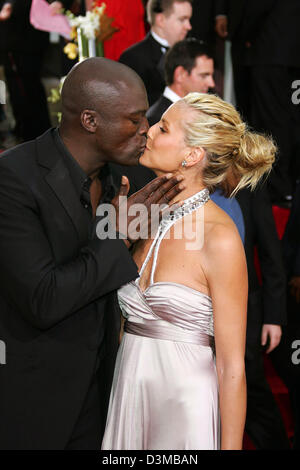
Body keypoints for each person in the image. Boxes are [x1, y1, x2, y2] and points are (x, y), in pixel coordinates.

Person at [0, 57, 184, 450]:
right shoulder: (14, 178)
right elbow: (43, 299)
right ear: (89, 120)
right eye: (134, 120)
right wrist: (118, 236)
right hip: (33, 406)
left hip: (106, 401)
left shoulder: (127, 180)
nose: (145, 130)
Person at [101, 92, 276, 450]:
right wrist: (117, 235)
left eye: (163, 128)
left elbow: (232, 368)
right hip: (127, 395)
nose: (148, 131)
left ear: (192, 155)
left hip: (183, 409)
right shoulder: (143, 214)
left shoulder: (219, 237)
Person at [119, 0, 192, 106]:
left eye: (189, 19)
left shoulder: (194, 54)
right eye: (182, 19)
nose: (188, 26)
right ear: (160, 20)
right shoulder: (132, 58)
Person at [147, 37, 215, 126]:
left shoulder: (204, 112)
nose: (211, 83)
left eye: (211, 75)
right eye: (203, 76)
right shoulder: (157, 120)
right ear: (180, 74)